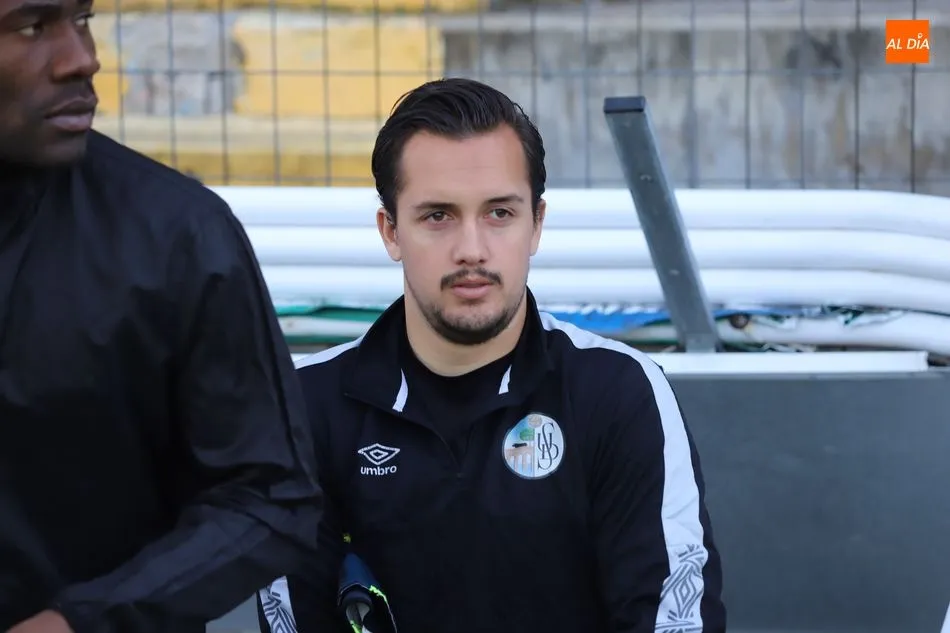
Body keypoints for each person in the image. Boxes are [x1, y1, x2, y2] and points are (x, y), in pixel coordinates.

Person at [257, 77, 727, 632]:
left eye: (499, 213)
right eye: (438, 216)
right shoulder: (305, 409)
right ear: (391, 231)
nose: (472, 249)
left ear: (537, 224)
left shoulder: (619, 393)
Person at [0, 0, 323, 631]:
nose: (82, 59)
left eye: (84, 19)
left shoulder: (180, 237)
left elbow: (269, 496)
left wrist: (79, 623)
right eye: (34, 26)